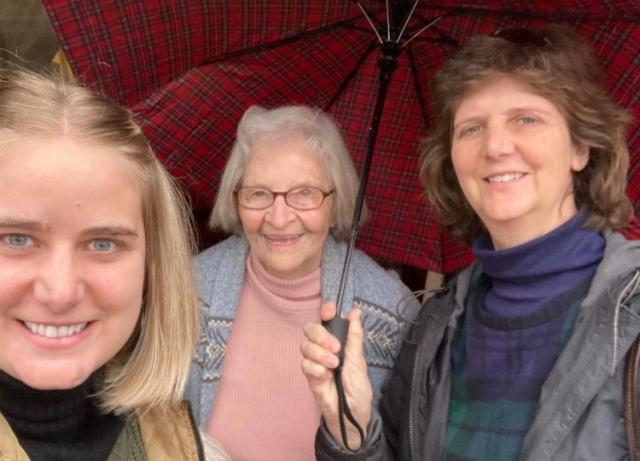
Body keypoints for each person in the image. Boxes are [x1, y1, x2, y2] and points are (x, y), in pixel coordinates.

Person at [301, 25, 640, 460]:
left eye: (526, 119)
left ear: (580, 148)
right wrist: (352, 431)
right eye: (472, 128)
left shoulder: (630, 317)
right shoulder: (435, 325)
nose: (496, 146)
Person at [0, 67, 228, 460]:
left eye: (103, 243)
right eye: (16, 239)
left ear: (153, 265)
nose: (60, 292)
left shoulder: (188, 450)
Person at [185, 105, 419, 460]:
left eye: (305, 193)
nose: (278, 219)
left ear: (336, 197)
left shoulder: (394, 316)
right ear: (236, 196)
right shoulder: (188, 290)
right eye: (259, 193)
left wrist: (353, 438)